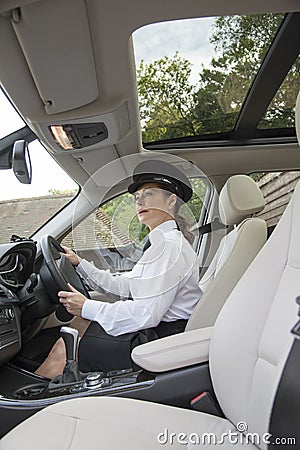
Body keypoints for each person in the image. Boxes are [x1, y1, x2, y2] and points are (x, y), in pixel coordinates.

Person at [35, 160, 202, 378]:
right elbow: (127, 285)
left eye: (149, 194)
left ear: (171, 201)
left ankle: (29, 400)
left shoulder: (169, 247)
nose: (139, 201)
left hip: (160, 339)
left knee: (65, 346)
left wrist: (86, 305)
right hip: (157, 330)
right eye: (136, 198)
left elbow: (146, 313)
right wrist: (80, 264)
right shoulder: (162, 244)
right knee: (79, 324)